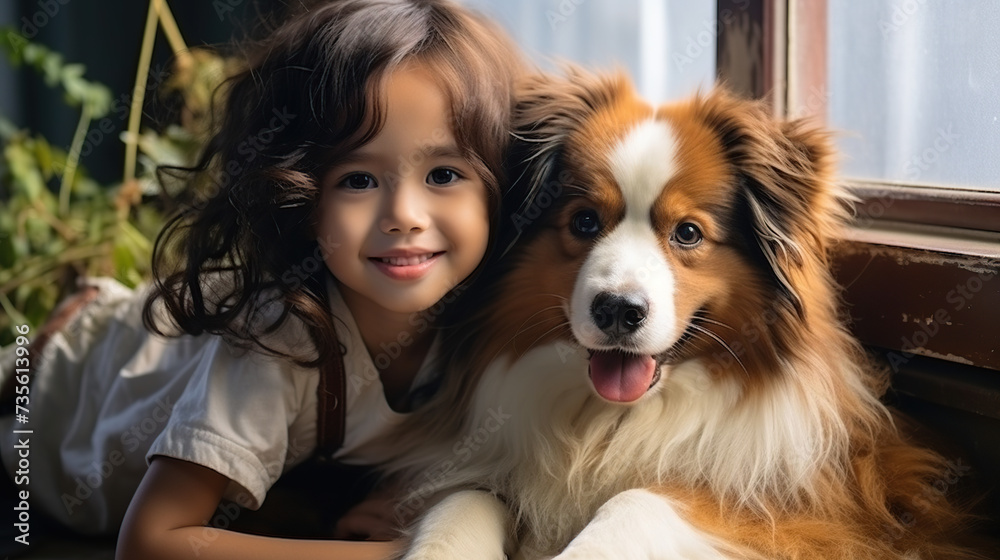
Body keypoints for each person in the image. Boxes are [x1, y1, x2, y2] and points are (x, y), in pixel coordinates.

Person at [0, 1, 525, 558]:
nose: (405, 214)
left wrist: (406, 493)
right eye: (358, 179)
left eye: (444, 174)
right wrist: (408, 553)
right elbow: (151, 541)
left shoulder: (491, 315)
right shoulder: (279, 339)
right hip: (51, 402)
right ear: (301, 196)